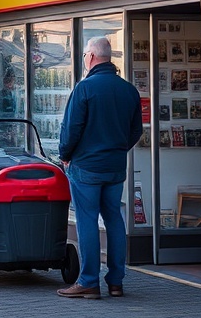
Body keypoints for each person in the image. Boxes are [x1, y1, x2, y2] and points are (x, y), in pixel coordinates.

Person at [56, 36, 143, 299]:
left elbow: (71, 129)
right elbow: (136, 131)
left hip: (86, 167)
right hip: (115, 167)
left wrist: (65, 155)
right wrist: (117, 150)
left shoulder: (85, 88)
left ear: (91, 57)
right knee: (114, 218)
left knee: (87, 221)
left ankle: (89, 281)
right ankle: (116, 282)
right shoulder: (129, 90)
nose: (84, 59)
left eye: (84, 55)